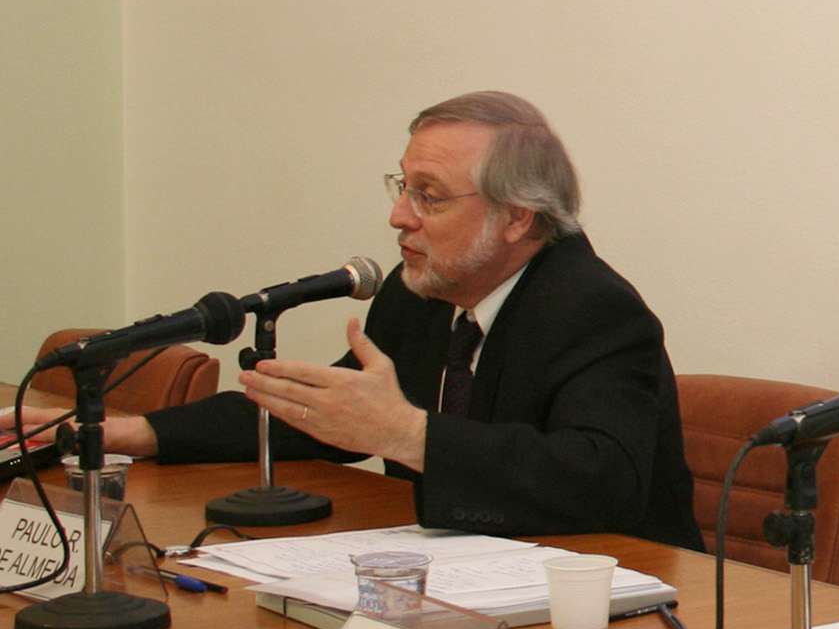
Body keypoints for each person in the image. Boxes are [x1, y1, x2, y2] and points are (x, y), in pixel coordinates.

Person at [68, 92, 703, 551]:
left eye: (429, 195)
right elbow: (325, 415)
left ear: (518, 218)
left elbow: (603, 479)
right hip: (466, 582)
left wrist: (410, 435)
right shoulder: (420, 290)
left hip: (613, 604)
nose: (399, 216)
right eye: (402, 187)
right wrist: (134, 432)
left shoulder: (593, 309)